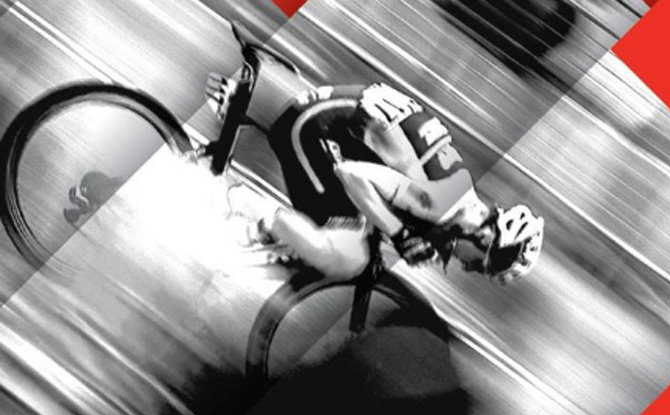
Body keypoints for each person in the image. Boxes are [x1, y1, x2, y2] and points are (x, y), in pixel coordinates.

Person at [209, 72, 543, 284]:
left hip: (335, 122)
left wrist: (396, 232)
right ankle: (239, 214)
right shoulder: (441, 203)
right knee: (343, 257)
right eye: (480, 266)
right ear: (484, 238)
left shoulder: (456, 192)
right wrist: (398, 233)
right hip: (313, 126)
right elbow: (351, 174)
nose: (468, 268)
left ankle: (242, 243)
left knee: (353, 245)